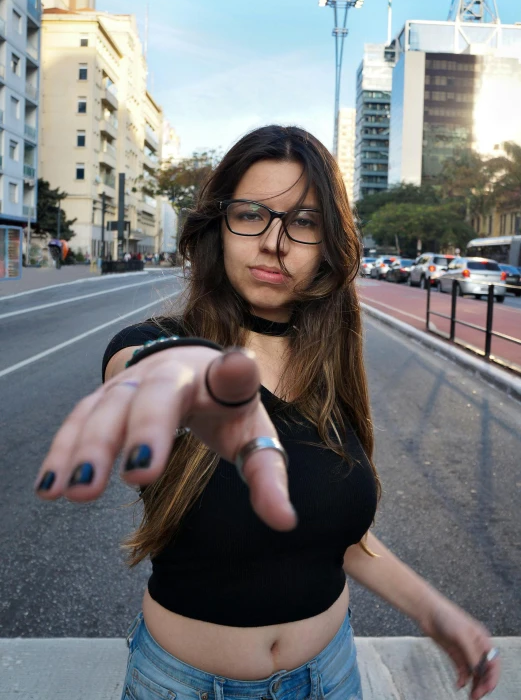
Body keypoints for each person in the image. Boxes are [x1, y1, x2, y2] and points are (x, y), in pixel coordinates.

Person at [34, 126, 499, 700]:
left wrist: (436, 614)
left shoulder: (330, 369)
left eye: (303, 223)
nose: (275, 242)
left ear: (329, 244)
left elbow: (338, 536)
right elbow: (139, 366)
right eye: (252, 213)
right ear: (217, 225)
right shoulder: (164, 343)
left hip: (330, 676)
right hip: (184, 686)